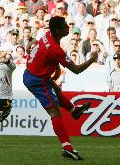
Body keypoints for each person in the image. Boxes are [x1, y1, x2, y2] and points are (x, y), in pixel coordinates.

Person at [23, 16, 98, 160]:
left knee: (56, 90)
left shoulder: (48, 35)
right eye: (64, 26)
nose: (67, 28)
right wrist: (92, 59)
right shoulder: (56, 49)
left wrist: (56, 66)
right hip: (37, 80)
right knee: (55, 113)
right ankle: (67, 148)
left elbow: (41, 48)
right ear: (57, 30)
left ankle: (74, 110)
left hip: (31, 73)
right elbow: (76, 69)